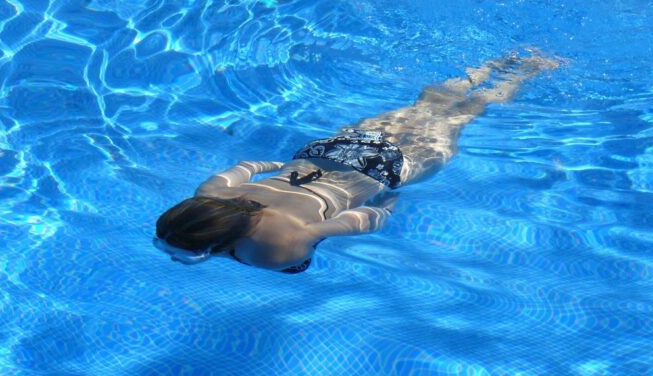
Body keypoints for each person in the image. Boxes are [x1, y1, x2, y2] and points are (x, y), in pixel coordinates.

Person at [154, 53, 558, 272]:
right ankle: (494, 61)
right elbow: (247, 165)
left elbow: (352, 222)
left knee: (465, 114)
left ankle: (531, 69)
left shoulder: (274, 249)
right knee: (430, 104)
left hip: (381, 170)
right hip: (329, 150)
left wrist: (383, 209)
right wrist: (276, 163)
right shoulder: (209, 192)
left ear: (211, 246)